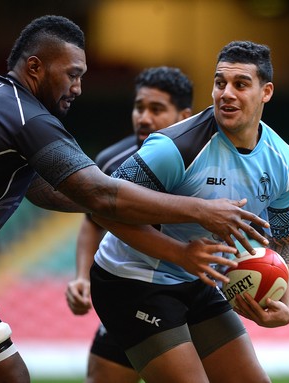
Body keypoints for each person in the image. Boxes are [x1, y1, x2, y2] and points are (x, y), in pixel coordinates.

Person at [0, 16, 270, 383]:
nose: (78, 88)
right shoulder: (28, 117)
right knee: (7, 376)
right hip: (131, 284)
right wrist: (200, 210)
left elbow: (46, 190)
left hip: (178, 289)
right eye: (72, 74)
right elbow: (100, 193)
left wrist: (126, 203)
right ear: (35, 67)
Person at [89, 40, 289, 383]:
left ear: (266, 92)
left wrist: (287, 304)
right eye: (220, 83)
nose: (226, 93)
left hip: (197, 280)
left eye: (241, 84)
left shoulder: (285, 162)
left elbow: (286, 238)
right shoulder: (175, 147)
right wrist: (182, 253)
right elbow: (102, 208)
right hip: (131, 279)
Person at [66, 66, 194, 383]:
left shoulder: (201, 163)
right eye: (139, 107)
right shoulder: (112, 161)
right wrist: (82, 277)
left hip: (189, 295)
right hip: (129, 292)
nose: (144, 118)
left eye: (156, 109)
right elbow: (92, 222)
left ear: (184, 115)